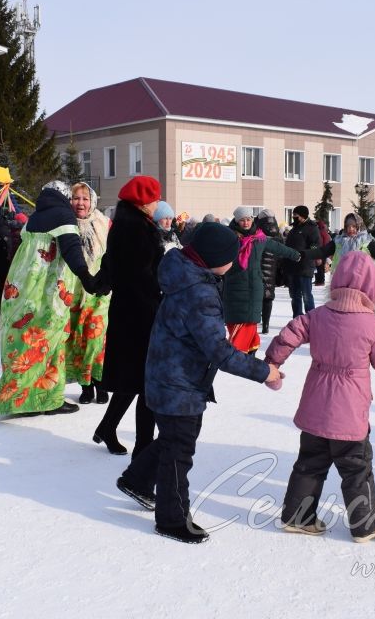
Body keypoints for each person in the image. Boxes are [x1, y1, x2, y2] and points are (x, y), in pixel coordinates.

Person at [116, 222, 282, 544]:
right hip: (180, 384)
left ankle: (137, 480)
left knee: (172, 439)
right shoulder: (199, 293)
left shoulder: (187, 274)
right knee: (179, 451)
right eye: (231, 257)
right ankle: (172, 518)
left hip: (168, 375)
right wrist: (264, 372)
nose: (234, 263)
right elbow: (218, 350)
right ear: (213, 258)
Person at [265, 251, 375, 540]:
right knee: (356, 467)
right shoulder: (370, 324)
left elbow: (288, 335)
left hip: (315, 407)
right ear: (374, 291)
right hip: (350, 412)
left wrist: (272, 363)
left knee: (309, 463)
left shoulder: (317, 316)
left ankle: (297, 516)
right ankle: (365, 522)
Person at [0, 181, 103, 417]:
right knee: (51, 342)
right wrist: (86, 276)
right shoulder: (63, 215)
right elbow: (71, 248)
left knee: (25, 343)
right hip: (47, 293)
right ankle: (47, 399)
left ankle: (23, 399)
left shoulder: (34, 217)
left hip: (21, 290)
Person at [94, 176, 165, 456]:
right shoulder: (135, 228)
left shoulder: (130, 222)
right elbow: (140, 275)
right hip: (139, 313)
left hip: (131, 310)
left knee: (133, 377)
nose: (157, 203)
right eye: (155, 198)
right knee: (145, 381)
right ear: (144, 201)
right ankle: (143, 449)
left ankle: (107, 427)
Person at [223, 206, 305, 354]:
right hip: (234, 285)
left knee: (250, 322)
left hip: (254, 286)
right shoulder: (228, 238)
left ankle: (245, 352)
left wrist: (296, 254)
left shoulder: (259, 238)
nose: (246, 223)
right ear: (236, 220)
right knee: (236, 321)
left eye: (248, 219)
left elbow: (278, 247)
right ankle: (238, 353)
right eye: (242, 220)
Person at [63, 182, 112, 411]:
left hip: (100, 291)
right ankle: (85, 386)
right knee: (78, 339)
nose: (80, 203)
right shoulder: (65, 225)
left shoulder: (104, 224)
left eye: (84, 198)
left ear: (92, 201)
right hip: (73, 292)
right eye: (75, 198)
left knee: (97, 338)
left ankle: (101, 383)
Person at [284, 205, 321, 317]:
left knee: (306, 294)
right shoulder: (294, 228)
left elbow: (315, 245)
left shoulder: (312, 228)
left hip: (305, 266)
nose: (294, 217)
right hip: (292, 266)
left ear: (303, 216)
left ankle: (311, 317)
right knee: (295, 295)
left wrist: (308, 254)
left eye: (296, 215)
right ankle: (297, 317)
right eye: (294, 215)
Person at [256, 209, 283, 335]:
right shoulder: (277, 235)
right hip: (271, 270)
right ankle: (266, 324)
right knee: (268, 296)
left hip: (258, 268)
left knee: (256, 295)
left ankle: (257, 319)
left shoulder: (257, 234)